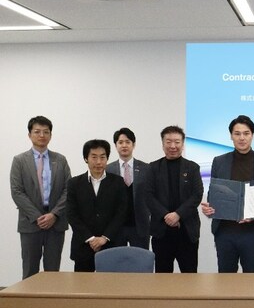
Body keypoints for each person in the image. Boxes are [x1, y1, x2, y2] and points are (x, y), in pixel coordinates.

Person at [201, 115, 254, 273]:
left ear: (252, 135)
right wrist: (210, 207)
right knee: (225, 277)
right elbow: (213, 192)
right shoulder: (219, 161)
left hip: (253, 232)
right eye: (237, 134)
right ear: (231, 136)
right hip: (224, 231)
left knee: (252, 278)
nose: (242, 138)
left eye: (246, 133)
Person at [10, 116, 71, 279]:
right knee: (30, 270)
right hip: (30, 222)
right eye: (37, 131)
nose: (42, 135)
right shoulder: (19, 161)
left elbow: (68, 190)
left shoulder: (60, 160)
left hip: (56, 222)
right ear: (29, 135)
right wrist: (38, 217)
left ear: (51, 135)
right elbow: (17, 192)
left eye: (46, 132)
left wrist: (54, 214)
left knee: (52, 271)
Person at [146, 125, 203, 273]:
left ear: (182, 144)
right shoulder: (153, 168)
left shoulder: (192, 167)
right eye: (168, 142)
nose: (173, 146)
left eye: (177, 142)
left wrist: (178, 214)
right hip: (161, 231)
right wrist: (166, 215)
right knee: (162, 276)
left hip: (187, 231)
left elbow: (197, 194)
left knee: (190, 275)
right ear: (162, 144)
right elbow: (148, 196)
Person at [66, 139, 128, 272]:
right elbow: (72, 215)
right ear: (86, 159)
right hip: (83, 246)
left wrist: (104, 238)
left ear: (107, 159)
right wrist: (91, 239)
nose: (99, 162)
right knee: (82, 284)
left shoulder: (118, 182)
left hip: (111, 245)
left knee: (111, 284)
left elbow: (121, 213)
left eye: (102, 157)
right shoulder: (74, 184)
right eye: (94, 157)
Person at [106, 128, 151, 249]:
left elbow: (152, 195)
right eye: (120, 142)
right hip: (115, 227)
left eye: (128, 142)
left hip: (140, 226)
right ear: (115, 145)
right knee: (116, 259)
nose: (124, 145)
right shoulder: (108, 169)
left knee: (140, 259)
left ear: (133, 144)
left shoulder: (146, 168)